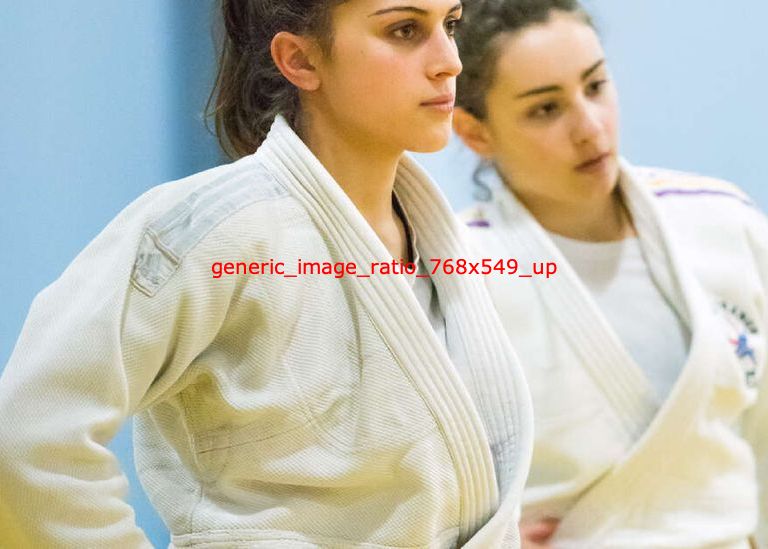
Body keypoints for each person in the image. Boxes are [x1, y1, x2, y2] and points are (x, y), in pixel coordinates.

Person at [0, 1, 535, 547]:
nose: (450, 61)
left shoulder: (446, 243)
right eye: (404, 30)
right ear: (300, 60)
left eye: (449, 24)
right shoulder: (213, 228)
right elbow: (28, 434)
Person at [452, 1, 767, 547]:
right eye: (546, 109)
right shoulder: (456, 270)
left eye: (595, 86)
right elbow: (406, 486)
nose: (590, 127)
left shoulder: (723, 222)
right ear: (475, 133)